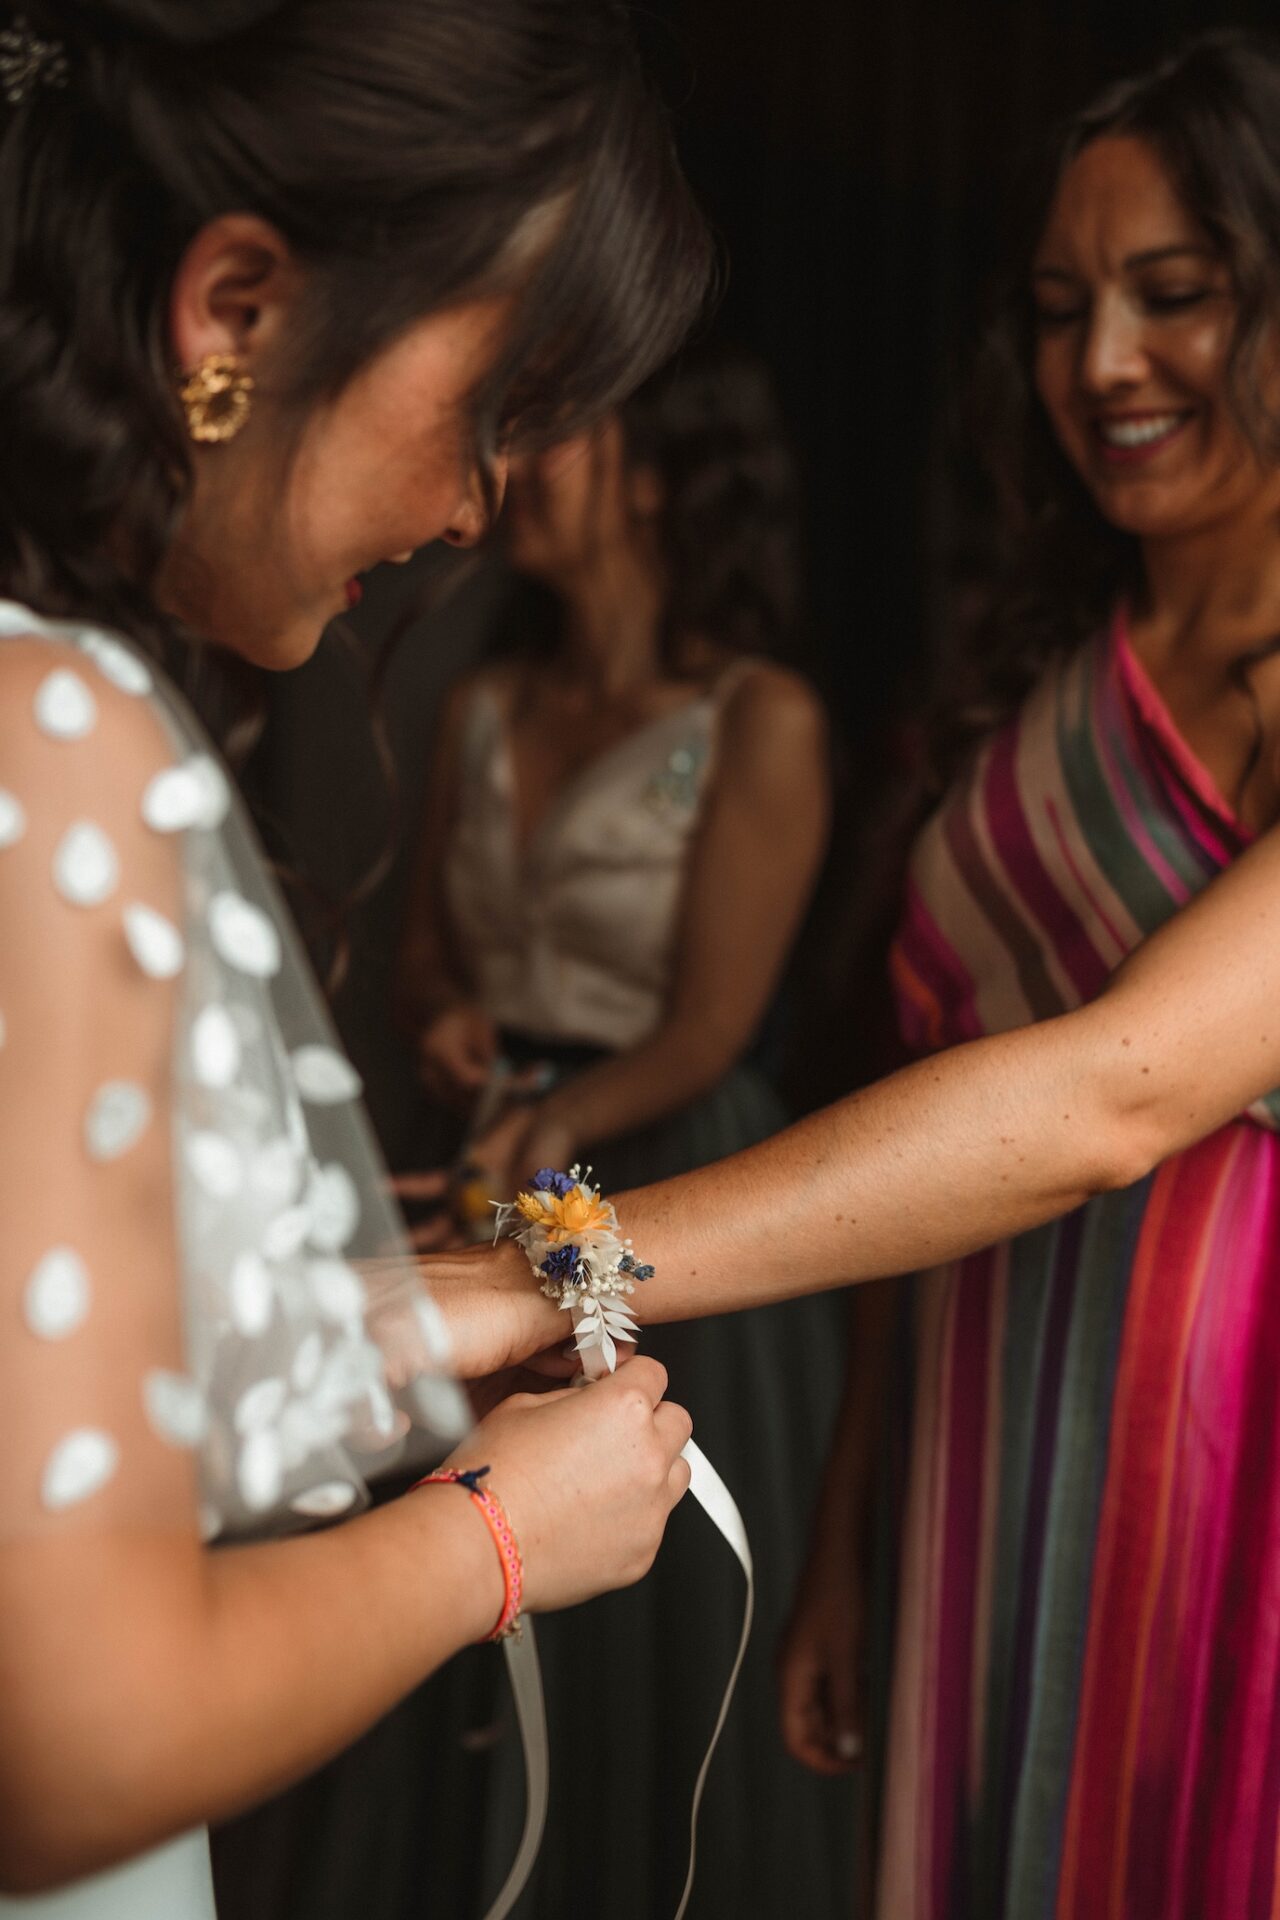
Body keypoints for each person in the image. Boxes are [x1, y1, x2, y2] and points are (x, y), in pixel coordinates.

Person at [431, 30, 1280, 1917]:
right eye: (1063, 309)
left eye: (1179, 295)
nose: (1106, 365)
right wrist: (847, 1534)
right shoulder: (1056, 649)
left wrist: (541, 1263)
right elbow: (945, 1082)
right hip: (973, 1420)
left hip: (1218, 1453)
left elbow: (1108, 1096)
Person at [0, 2, 711, 1915]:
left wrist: (378, 1314)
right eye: (484, 416)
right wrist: (497, 1535)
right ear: (235, 308)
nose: (478, 505)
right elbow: (74, 1738)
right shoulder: (49, 740)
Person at [385, 343, 853, 1920]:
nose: (507, 476)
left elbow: (715, 1019)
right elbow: (432, 950)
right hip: (485, 1148)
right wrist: (453, 1020)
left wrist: (558, 1127)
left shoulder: (757, 717)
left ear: (655, 467)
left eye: (552, 440)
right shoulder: (484, 703)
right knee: (469, 1549)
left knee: (641, 1618)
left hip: (652, 1166)